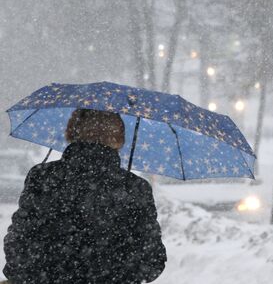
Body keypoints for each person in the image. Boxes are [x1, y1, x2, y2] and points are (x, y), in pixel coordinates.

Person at [2, 109, 167, 284]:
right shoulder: (135, 188)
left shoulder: (43, 176)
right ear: (119, 139)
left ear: (71, 132)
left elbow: (19, 243)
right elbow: (152, 261)